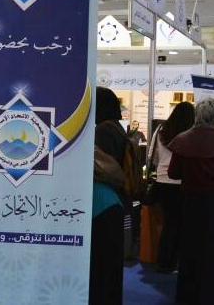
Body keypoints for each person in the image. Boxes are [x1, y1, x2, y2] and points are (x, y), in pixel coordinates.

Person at [168, 98, 214, 305]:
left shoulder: (183, 139)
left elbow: (173, 173)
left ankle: (191, 297)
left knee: (192, 251)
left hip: (192, 204)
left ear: (197, 115)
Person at [147, 101, 195, 274]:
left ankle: (164, 261)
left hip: (162, 181)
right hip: (183, 182)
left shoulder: (161, 130)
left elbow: (152, 157)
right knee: (181, 224)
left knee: (168, 223)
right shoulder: (191, 133)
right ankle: (175, 262)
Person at [90, 86, 126, 305]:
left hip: (101, 205)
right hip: (113, 202)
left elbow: (101, 169)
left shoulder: (102, 131)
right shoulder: (116, 128)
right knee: (110, 266)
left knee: (101, 266)